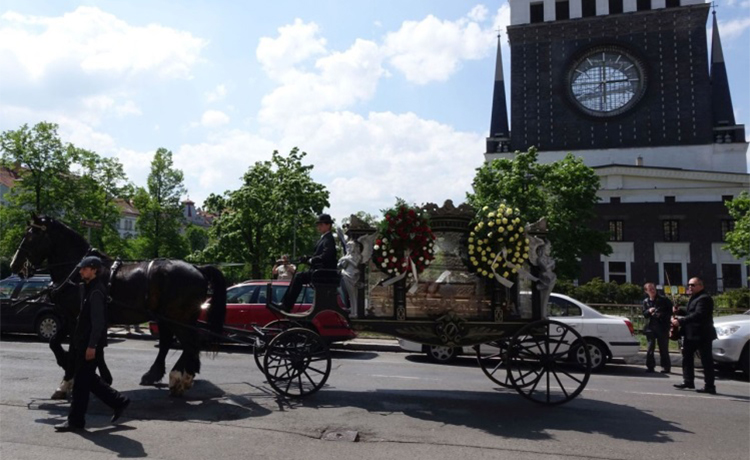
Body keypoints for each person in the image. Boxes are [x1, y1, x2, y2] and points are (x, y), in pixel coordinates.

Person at [55, 256, 130, 432]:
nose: (81, 271)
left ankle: (75, 422)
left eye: (84, 269)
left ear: (94, 270)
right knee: (88, 379)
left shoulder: (96, 291)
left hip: (88, 344)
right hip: (82, 342)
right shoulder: (87, 288)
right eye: (81, 269)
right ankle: (119, 401)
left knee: (81, 385)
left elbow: (99, 323)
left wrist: (92, 346)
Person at [280, 214, 337, 311]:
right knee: (297, 276)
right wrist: (306, 258)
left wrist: (311, 260)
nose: (318, 227)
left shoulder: (329, 239)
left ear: (328, 225)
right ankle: (285, 303)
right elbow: (319, 255)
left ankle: (287, 305)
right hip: (320, 271)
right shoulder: (324, 238)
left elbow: (326, 256)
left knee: (298, 277)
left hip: (323, 273)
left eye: (321, 224)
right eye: (318, 225)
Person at [672, 277, 717, 394]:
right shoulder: (694, 297)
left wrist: (681, 321)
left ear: (701, 286)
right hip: (690, 334)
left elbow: (698, 314)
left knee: (706, 361)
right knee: (687, 357)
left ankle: (710, 386)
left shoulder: (704, 298)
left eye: (693, 285)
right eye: (689, 285)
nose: (690, 287)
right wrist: (679, 311)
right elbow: (691, 312)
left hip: (702, 335)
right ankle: (688, 381)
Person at [642, 282, 672, 374]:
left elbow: (669, 311)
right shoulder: (646, 301)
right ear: (646, 291)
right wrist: (649, 311)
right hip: (650, 327)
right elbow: (644, 314)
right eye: (650, 289)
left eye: (653, 288)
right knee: (650, 347)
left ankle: (666, 367)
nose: (652, 290)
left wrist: (660, 315)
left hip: (662, 326)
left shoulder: (663, 299)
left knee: (663, 348)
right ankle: (650, 366)